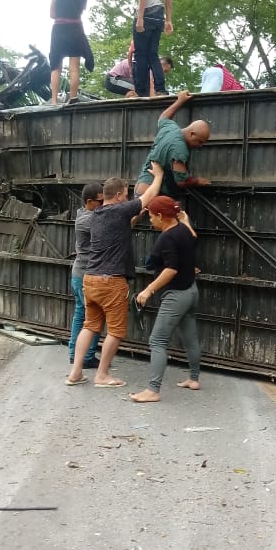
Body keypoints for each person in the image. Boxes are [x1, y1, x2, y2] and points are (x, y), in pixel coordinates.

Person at [66, 162, 164, 387]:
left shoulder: (97, 213)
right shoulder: (120, 209)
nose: (128, 198)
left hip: (90, 280)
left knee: (90, 326)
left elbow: (122, 224)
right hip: (111, 282)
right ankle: (102, 375)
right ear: (119, 195)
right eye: (127, 195)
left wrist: (136, 214)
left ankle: (75, 373)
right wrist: (158, 176)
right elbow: (149, 195)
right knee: (117, 331)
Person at [130, 195, 200, 403]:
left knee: (157, 340)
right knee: (190, 337)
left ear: (160, 216)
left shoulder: (167, 237)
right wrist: (186, 220)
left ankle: (153, 390)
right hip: (192, 291)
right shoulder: (184, 230)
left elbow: (170, 269)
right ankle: (194, 379)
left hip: (176, 294)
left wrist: (148, 290)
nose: (150, 221)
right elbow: (193, 238)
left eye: (151, 217)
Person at [135, 90, 211, 197]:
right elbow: (181, 181)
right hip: (152, 194)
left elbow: (163, 118)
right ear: (192, 134)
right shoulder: (179, 149)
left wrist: (179, 101)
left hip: (141, 185)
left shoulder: (170, 128)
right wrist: (196, 181)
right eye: (199, 141)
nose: (200, 145)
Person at [69, 182, 104, 369]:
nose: (104, 203)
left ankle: (76, 355)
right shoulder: (88, 220)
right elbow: (113, 227)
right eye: (101, 201)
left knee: (81, 314)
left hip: (80, 274)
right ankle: (85, 357)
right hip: (84, 275)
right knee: (93, 317)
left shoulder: (86, 214)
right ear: (89, 202)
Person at [49, 0, 94, 106]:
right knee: (74, 67)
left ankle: (55, 101)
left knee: (56, 66)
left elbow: (52, 14)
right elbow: (81, 10)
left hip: (60, 28)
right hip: (76, 29)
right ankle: (73, 98)